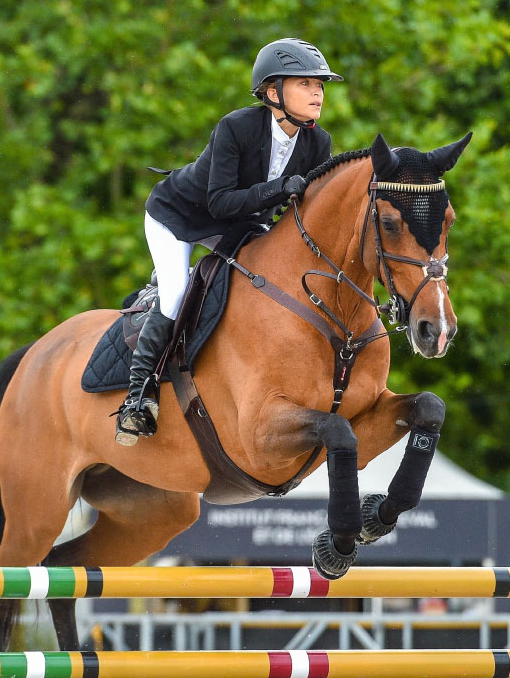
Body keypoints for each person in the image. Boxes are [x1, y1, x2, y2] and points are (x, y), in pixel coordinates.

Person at [115, 37, 344, 446]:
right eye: (306, 83)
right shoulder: (236, 127)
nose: (317, 93)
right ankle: (139, 397)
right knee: (176, 293)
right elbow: (219, 202)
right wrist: (279, 189)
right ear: (273, 92)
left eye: (320, 85)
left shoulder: (318, 143)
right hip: (178, 216)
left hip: (239, 222)